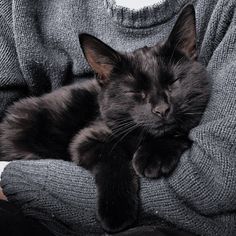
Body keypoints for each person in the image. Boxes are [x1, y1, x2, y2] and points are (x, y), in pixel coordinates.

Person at [0, 0, 236, 235]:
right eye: (137, 94)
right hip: (26, 144)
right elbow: (88, 142)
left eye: (173, 83)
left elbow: (215, 177)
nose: (161, 107)